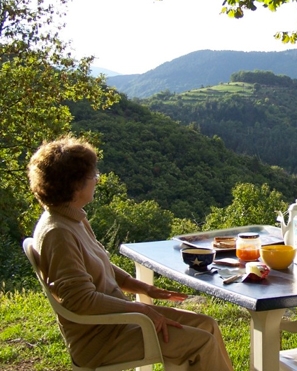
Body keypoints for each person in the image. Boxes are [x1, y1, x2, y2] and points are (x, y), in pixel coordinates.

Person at [27, 136, 234, 371]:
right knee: (201, 342)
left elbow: (101, 267)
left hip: (118, 323)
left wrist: (143, 288)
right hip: (101, 340)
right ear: (75, 186)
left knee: (206, 324)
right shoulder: (58, 233)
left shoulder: (73, 218)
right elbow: (79, 300)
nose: (97, 180)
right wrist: (141, 309)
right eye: (92, 176)